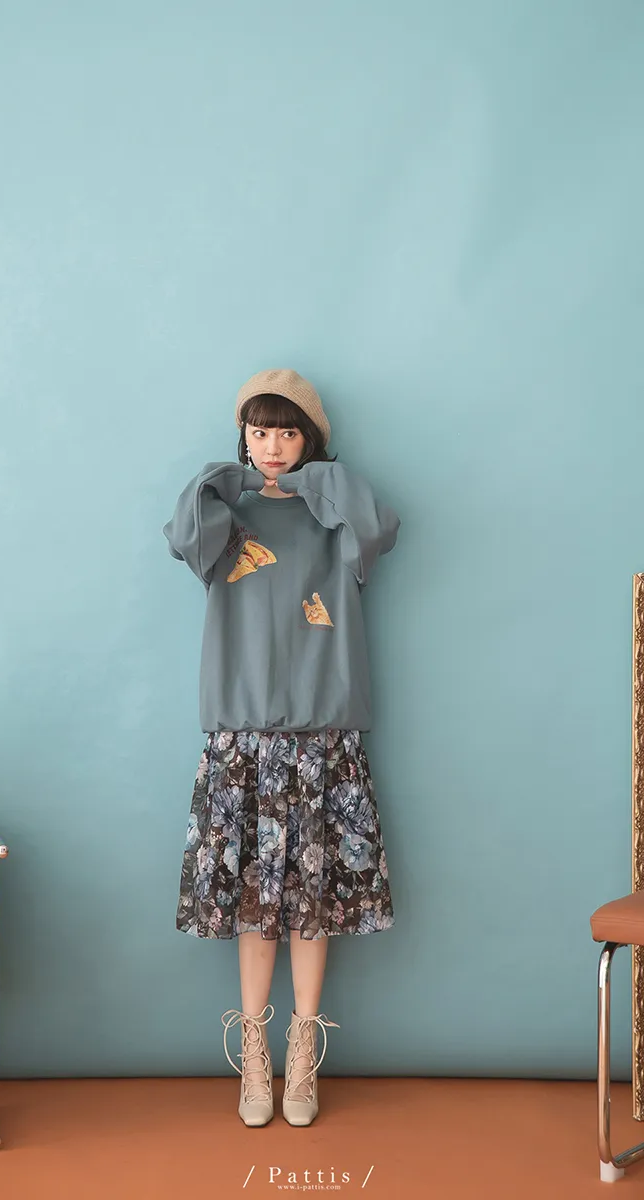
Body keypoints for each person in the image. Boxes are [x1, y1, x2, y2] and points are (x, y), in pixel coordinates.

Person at [162, 368, 400, 1128]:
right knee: (255, 906)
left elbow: (380, 526)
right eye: (258, 432)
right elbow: (182, 534)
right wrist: (228, 478)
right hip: (242, 737)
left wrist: (311, 480)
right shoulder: (224, 518)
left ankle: (302, 1051)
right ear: (242, 437)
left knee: (312, 905)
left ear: (310, 440)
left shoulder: (334, 515)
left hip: (324, 736)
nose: (271, 446)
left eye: (287, 432)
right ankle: (254, 1054)